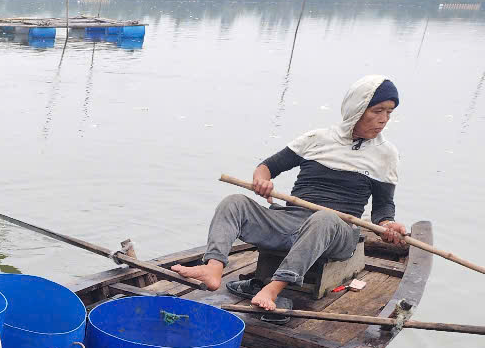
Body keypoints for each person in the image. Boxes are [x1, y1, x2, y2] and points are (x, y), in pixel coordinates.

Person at [173, 75, 408, 323]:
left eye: (389, 112)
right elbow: (266, 167)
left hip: (338, 233)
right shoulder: (317, 139)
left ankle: (273, 289)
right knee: (234, 202)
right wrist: (262, 180)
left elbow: (383, 209)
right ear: (357, 109)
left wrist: (387, 226)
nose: (384, 119)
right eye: (377, 111)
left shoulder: (386, 154)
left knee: (324, 218)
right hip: (290, 221)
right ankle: (213, 268)